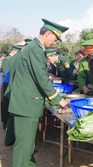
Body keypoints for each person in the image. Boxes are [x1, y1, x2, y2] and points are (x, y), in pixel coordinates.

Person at [8, 18, 69, 167]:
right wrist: (59, 100)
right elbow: (41, 78)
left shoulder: (34, 48)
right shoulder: (35, 49)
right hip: (27, 104)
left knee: (28, 145)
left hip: (27, 103)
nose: (54, 43)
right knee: (24, 146)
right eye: (55, 39)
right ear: (48, 33)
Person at [1, 44, 23, 130]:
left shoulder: (15, 58)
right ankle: (5, 122)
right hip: (9, 83)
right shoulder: (10, 59)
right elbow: (7, 71)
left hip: (11, 82)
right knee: (6, 102)